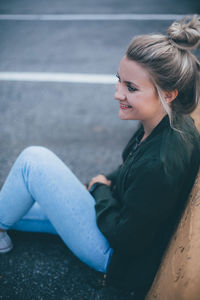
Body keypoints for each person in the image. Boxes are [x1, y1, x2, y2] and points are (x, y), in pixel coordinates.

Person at [0, 15, 200, 299]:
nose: (117, 92)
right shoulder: (167, 122)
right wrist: (104, 184)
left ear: (168, 94)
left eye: (131, 88)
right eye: (120, 80)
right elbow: (131, 170)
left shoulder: (162, 162)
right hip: (115, 218)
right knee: (21, 199)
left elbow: (127, 238)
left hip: (115, 255)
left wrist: (99, 189)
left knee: (34, 162)